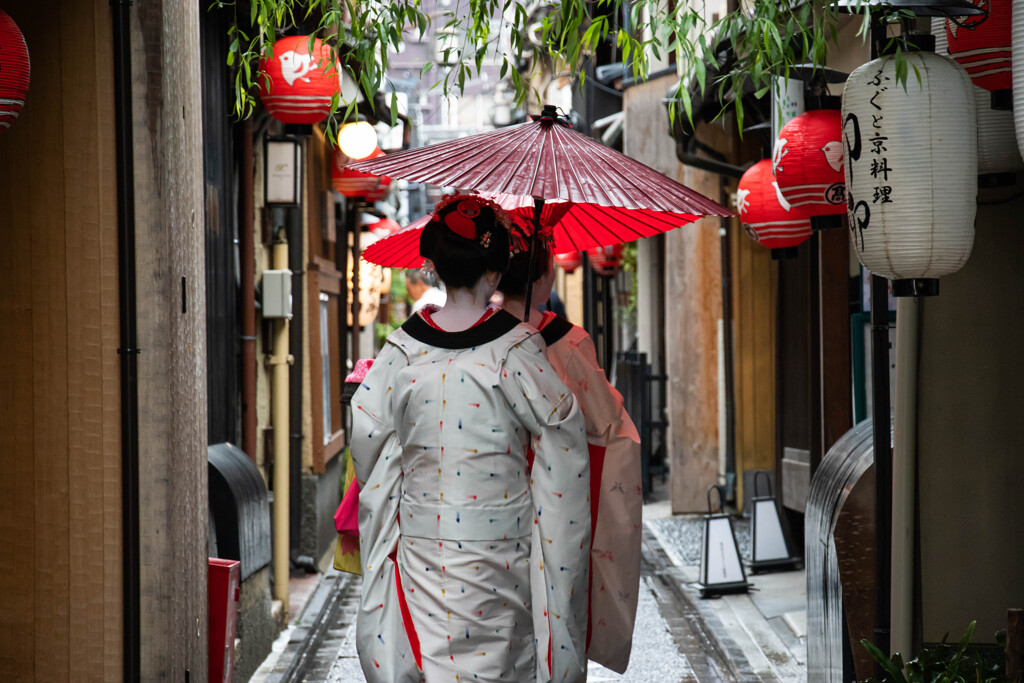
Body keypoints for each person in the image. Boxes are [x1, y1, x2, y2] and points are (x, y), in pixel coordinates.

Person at [350, 195, 591, 682]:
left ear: (432, 265)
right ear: (498, 270)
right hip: (503, 552)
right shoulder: (517, 347)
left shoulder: (404, 347)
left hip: (423, 548)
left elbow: (367, 435)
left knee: (427, 661)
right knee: (506, 662)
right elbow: (564, 439)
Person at [499, 232, 643, 675]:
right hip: (559, 500)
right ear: (544, 276)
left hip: (493, 499)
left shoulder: (480, 341)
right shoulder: (565, 341)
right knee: (557, 605)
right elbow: (607, 423)